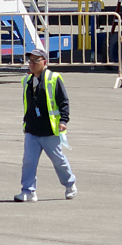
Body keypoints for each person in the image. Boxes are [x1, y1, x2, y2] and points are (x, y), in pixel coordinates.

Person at [15, 51, 76, 202]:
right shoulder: (27, 80)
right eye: (30, 60)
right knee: (28, 161)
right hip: (32, 130)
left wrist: (63, 120)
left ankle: (70, 184)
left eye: (36, 60)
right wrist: (26, 123)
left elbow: (63, 101)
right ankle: (28, 191)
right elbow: (27, 105)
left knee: (58, 160)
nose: (32, 64)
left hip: (49, 130)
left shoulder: (53, 79)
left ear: (44, 62)